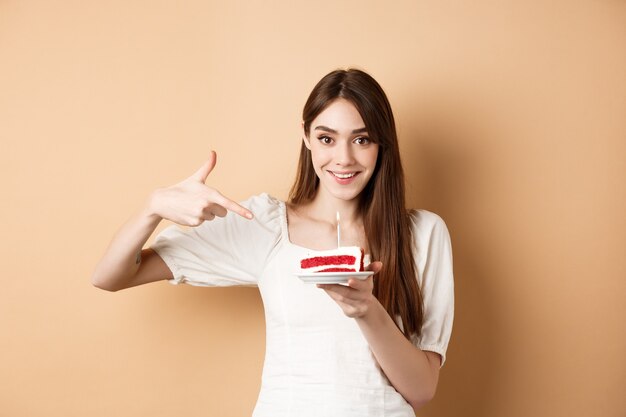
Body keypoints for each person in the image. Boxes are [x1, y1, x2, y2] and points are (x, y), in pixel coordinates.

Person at [92, 68, 454, 417]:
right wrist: (153, 208)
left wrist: (367, 310)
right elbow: (111, 276)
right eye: (327, 138)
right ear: (306, 135)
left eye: (361, 139)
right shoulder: (265, 226)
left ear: (381, 143)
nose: (343, 158)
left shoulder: (423, 235)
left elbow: (421, 390)